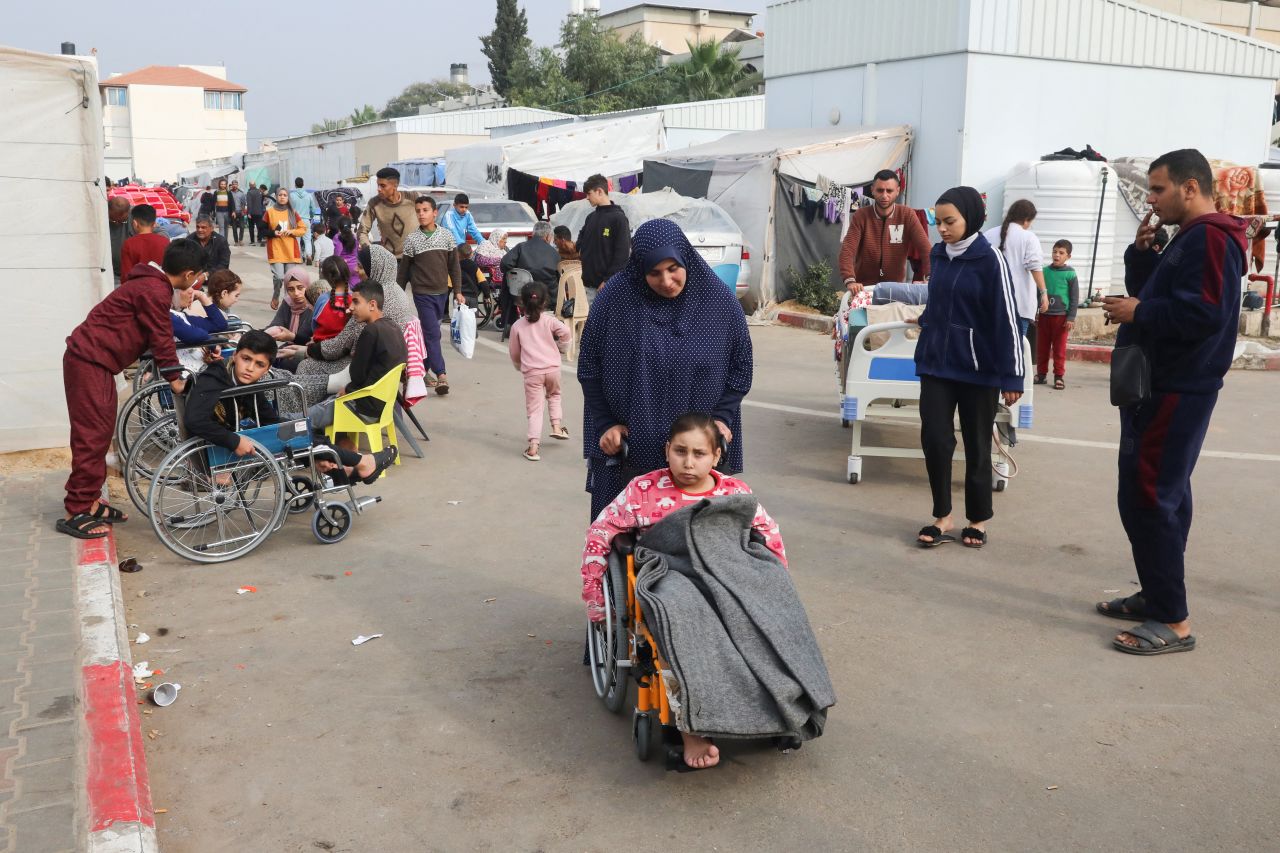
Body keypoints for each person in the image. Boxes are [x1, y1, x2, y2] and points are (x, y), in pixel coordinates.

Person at [1099, 149, 1245, 657]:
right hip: (1162, 387)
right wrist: (1143, 258)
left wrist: (1139, 309)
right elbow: (1169, 297)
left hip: (1177, 388)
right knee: (1160, 494)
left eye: (1159, 189)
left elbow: (1204, 313)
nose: (1152, 199)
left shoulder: (1209, 238)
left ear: (1190, 187)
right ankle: (1157, 594)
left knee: (1150, 496)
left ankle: (1174, 620)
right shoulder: (1189, 238)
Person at [579, 412, 786, 769]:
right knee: (683, 626)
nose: (688, 463)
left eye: (699, 454)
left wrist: (775, 588)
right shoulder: (643, 491)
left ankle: (776, 706)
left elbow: (770, 539)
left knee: (761, 620)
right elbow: (599, 536)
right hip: (668, 579)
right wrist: (596, 600)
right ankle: (693, 728)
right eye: (680, 451)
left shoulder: (734, 494)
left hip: (725, 576)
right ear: (667, 450)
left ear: (717, 456)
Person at [577, 219, 753, 521]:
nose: (667, 281)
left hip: (695, 455)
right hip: (627, 451)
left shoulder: (719, 302)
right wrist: (605, 422)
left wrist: (722, 418)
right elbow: (589, 365)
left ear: (685, 257)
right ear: (639, 270)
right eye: (654, 273)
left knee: (697, 547)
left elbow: (741, 366)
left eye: (673, 269)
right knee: (622, 548)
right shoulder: (614, 300)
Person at [57, 238, 205, 539]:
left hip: (95, 361)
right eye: (198, 277)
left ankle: (89, 500)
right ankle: (76, 508)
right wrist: (174, 377)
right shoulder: (153, 290)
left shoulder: (151, 284)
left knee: (100, 433)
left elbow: (152, 334)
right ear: (189, 274)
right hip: (89, 361)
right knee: (91, 435)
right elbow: (161, 334)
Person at [913, 186, 1024, 550]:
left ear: (971, 218)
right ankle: (942, 516)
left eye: (950, 222)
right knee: (935, 439)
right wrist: (928, 319)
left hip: (979, 370)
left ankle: (976, 519)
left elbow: (1006, 318)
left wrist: (1012, 374)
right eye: (937, 221)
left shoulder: (990, 259)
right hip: (936, 364)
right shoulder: (939, 253)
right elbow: (942, 299)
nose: (942, 229)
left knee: (977, 444)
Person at [184, 330, 397, 485]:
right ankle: (360, 463)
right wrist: (234, 440)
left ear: (267, 369)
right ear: (236, 355)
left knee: (300, 430)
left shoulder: (247, 382)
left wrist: (312, 450)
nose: (249, 368)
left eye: (259, 365)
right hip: (215, 450)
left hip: (236, 439)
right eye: (246, 359)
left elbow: (269, 420)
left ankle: (341, 463)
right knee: (299, 433)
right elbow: (194, 420)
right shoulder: (215, 375)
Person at [307, 281, 408, 429]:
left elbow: (357, 375)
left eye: (356, 302)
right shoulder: (394, 327)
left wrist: (347, 390)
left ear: (372, 305)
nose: (351, 308)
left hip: (362, 407)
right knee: (328, 400)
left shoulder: (371, 331)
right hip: (382, 406)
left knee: (302, 420)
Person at [397, 196, 463, 395]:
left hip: (442, 293)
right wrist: (397, 294)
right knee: (433, 334)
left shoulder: (446, 236)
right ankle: (441, 374)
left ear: (435, 213)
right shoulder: (412, 240)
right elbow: (404, 271)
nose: (421, 214)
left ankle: (416, 373)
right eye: (418, 211)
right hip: (422, 294)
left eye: (425, 210)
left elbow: (455, 267)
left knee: (429, 334)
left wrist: (458, 291)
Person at [838, 169, 932, 300]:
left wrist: (931, 277)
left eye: (889, 191)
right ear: (872, 190)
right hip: (863, 289)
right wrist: (850, 280)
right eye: (880, 190)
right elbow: (847, 250)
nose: (884, 195)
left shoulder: (907, 215)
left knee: (892, 321)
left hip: (896, 290)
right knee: (860, 320)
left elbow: (926, 248)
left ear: (898, 191)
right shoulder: (861, 216)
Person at [508, 282, 571, 461]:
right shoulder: (550, 321)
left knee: (535, 409)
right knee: (554, 396)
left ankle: (534, 446)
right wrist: (562, 347)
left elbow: (514, 352)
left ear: (522, 302)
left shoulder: (517, 326)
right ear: (544, 302)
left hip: (532, 373)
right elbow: (566, 332)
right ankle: (557, 427)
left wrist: (519, 365)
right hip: (553, 369)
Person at [983, 199, 1048, 361]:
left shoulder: (989, 234)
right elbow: (1035, 266)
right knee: (1014, 353)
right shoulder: (1028, 237)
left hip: (990, 304)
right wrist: (1044, 293)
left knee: (990, 350)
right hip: (1019, 305)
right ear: (1027, 220)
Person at [576, 174, 631, 299]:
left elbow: (622, 255)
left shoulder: (619, 219)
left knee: (611, 318)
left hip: (609, 286)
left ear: (599, 191)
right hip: (589, 284)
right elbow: (581, 236)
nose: (587, 198)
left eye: (589, 194)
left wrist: (608, 280)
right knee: (594, 318)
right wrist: (580, 249)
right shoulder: (591, 217)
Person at [500, 221, 561, 332]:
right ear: (548, 236)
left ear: (533, 234)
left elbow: (504, 264)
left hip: (521, 294)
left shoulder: (521, 247)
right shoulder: (554, 253)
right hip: (546, 297)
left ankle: (509, 321)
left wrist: (517, 270)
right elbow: (559, 276)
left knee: (507, 277)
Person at [1035, 239, 1079, 390]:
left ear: (1068, 256)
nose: (1057, 255)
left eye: (1061, 253)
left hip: (1061, 318)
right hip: (1044, 315)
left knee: (1059, 349)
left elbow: (1074, 298)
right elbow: (1038, 293)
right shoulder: (1044, 271)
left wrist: (1071, 317)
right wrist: (1036, 311)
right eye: (1055, 251)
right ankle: (1041, 375)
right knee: (1042, 347)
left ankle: (1059, 376)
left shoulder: (1070, 274)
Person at [358, 167, 418, 258]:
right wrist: (371, 252)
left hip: (416, 258)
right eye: (377, 185)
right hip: (390, 260)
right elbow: (362, 231)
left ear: (395, 185)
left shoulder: (413, 197)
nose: (378, 189)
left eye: (383, 186)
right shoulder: (374, 203)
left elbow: (430, 217)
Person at [265, 187, 307, 310]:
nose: (282, 197)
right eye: (280, 195)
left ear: (288, 198)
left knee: (290, 281)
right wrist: (273, 233)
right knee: (279, 277)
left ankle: (286, 305)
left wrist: (292, 231)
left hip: (290, 252)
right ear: (276, 197)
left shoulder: (293, 213)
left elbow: (303, 229)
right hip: (276, 250)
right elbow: (262, 230)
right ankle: (276, 295)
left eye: (285, 195)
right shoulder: (269, 212)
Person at [265, 267, 316, 347]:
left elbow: (310, 339)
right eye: (291, 289)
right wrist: (261, 334)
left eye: (300, 288)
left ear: (307, 286)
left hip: (309, 350)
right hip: (290, 346)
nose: (296, 293)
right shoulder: (288, 302)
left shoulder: (315, 306)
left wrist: (291, 337)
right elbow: (277, 323)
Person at [120, 204, 169, 281]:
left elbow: (126, 276)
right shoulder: (165, 241)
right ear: (154, 224)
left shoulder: (129, 244)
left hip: (137, 289)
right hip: (160, 287)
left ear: (135, 223)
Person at [314, 257, 353, 342]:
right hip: (347, 346)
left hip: (320, 347)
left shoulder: (322, 299)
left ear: (325, 276)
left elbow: (313, 326)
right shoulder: (356, 298)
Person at [289, 177, 319, 264]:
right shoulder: (309, 195)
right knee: (307, 239)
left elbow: (289, 209)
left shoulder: (292, 195)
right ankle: (309, 255)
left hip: (296, 220)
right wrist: (311, 216)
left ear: (295, 185)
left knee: (297, 239)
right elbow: (313, 209)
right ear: (303, 184)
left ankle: (299, 257)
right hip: (306, 220)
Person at [108, 196, 132, 285]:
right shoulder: (100, 217)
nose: (117, 223)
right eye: (113, 220)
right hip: (110, 274)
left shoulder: (136, 215)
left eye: (122, 221)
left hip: (131, 275)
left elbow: (160, 232)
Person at [331, 215, 362, 285]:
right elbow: (356, 252)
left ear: (338, 227)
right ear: (350, 226)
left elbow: (337, 253)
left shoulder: (337, 237)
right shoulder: (354, 237)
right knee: (355, 287)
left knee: (344, 289)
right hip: (355, 266)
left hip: (343, 267)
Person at [458, 243, 485, 310]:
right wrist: (487, 295)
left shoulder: (455, 267)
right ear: (471, 254)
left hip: (460, 296)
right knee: (472, 317)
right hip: (473, 296)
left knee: (460, 316)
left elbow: (449, 285)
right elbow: (483, 281)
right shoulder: (474, 266)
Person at [229, 180, 246, 246]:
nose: (234, 185)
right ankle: (236, 241)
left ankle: (240, 240)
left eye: (236, 184)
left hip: (240, 212)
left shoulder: (241, 193)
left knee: (242, 226)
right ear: (232, 185)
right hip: (233, 213)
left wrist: (243, 211)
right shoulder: (229, 193)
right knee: (234, 228)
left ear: (237, 185)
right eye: (233, 184)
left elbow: (243, 203)